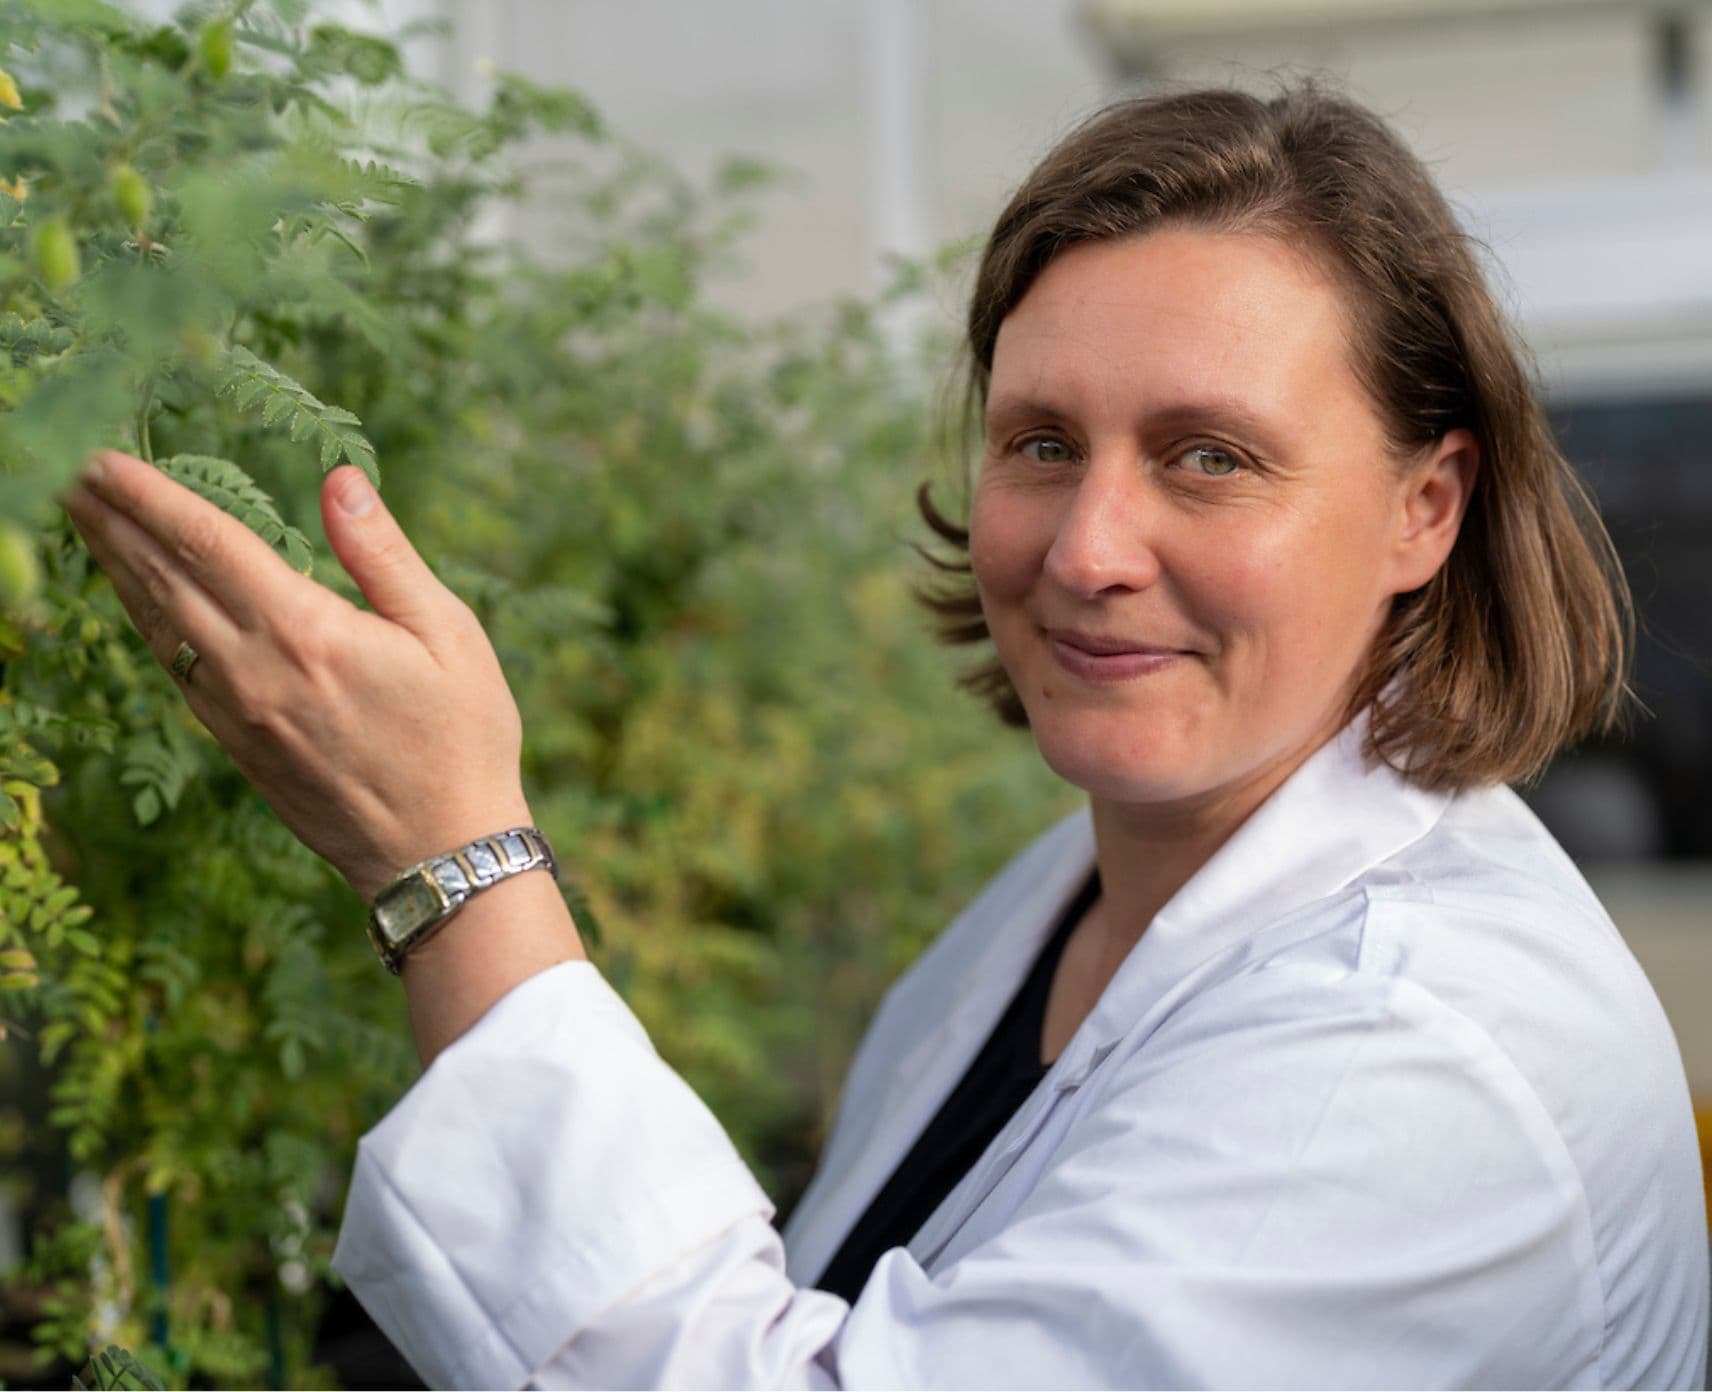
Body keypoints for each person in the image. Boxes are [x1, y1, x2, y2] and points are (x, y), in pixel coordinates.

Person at [62, 84, 1708, 1388]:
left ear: (1429, 504)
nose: (1086, 549)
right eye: (1042, 442)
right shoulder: (1075, 888)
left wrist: (451, 858)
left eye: (1210, 456)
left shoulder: (1417, 1066)